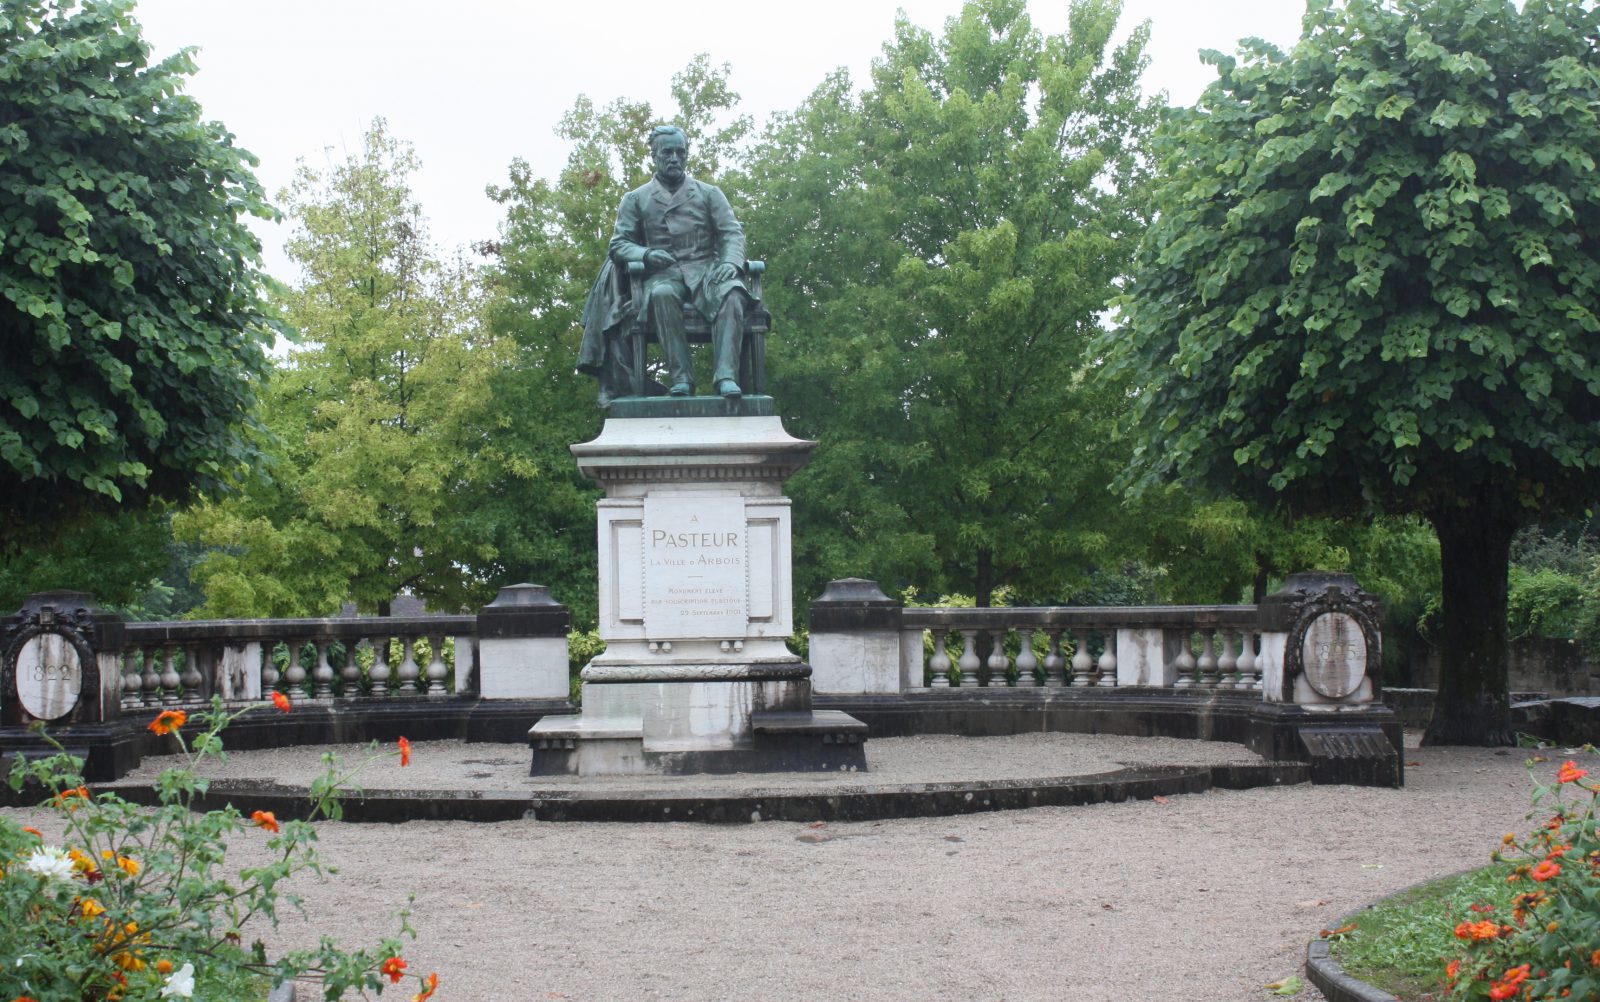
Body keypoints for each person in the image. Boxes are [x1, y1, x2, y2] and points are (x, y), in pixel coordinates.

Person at [599, 124, 750, 399]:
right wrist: (645, 255)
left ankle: (726, 376)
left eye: (680, 152)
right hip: (664, 273)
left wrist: (731, 263)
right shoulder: (636, 199)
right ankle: (681, 379)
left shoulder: (709, 193)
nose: (674, 159)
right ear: (654, 156)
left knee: (733, 292)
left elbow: (732, 233)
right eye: (667, 153)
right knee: (661, 295)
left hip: (706, 270)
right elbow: (619, 244)